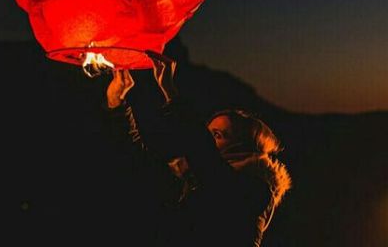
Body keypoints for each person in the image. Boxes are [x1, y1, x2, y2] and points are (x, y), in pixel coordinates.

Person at [103, 51, 291, 246]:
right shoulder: (187, 183)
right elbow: (137, 162)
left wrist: (171, 94)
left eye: (217, 135)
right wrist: (117, 104)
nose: (208, 139)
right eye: (208, 132)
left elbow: (206, 160)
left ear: (243, 147)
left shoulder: (253, 191)